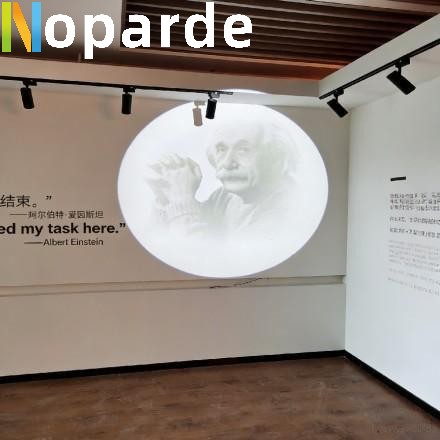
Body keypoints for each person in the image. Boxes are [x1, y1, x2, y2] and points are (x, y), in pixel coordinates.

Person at [145, 116, 303, 241]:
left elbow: (198, 258)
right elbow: (161, 236)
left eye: (243, 150)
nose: (227, 163)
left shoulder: (289, 210)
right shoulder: (226, 196)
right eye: (221, 149)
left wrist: (182, 198)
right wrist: (167, 195)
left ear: (276, 157)